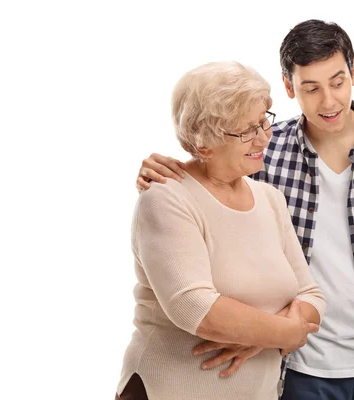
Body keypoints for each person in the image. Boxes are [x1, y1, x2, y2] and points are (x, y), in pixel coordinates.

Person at [135, 20, 354, 400]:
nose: (328, 101)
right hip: (292, 367)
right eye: (310, 88)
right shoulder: (264, 148)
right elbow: (211, 173)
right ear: (288, 85)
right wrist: (160, 172)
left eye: (338, 81)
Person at [116, 60, 326, 400]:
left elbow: (312, 295)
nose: (263, 138)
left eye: (263, 122)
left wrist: (264, 336)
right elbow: (192, 305)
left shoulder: (270, 199)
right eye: (246, 130)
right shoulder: (166, 197)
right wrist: (284, 333)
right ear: (203, 144)